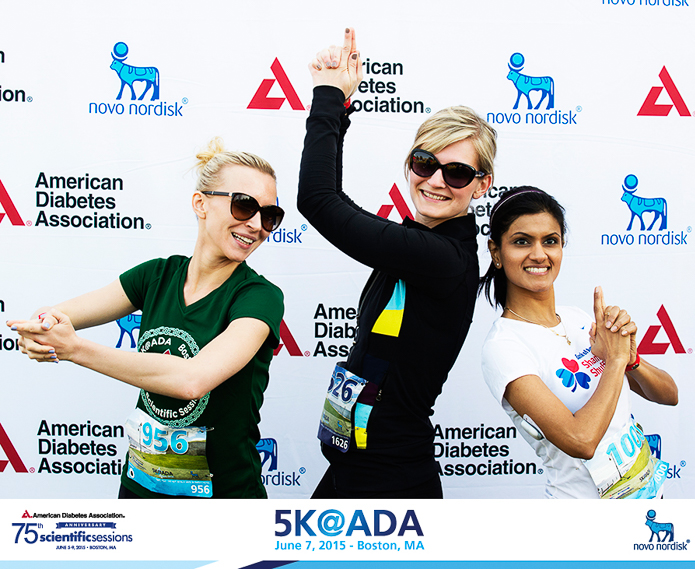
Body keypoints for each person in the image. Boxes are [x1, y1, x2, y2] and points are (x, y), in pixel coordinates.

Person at [7, 138, 285, 499]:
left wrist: (74, 349)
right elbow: (57, 315)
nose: (257, 225)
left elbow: (192, 381)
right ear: (201, 203)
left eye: (270, 215)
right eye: (244, 205)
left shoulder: (259, 297)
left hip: (224, 502)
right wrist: (40, 328)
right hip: (140, 490)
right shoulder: (156, 275)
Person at [298, 28, 497, 498]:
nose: (436, 180)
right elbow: (333, 200)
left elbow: (318, 200)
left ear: (482, 185)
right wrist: (342, 108)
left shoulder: (442, 257)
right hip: (357, 464)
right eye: (425, 162)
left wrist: (327, 97)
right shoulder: (417, 244)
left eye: (457, 172)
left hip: (390, 479)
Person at [480, 187, 678, 499]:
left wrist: (630, 358)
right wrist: (614, 362)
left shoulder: (578, 318)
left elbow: (669, 395)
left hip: (648, 498)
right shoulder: (504, 346)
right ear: (496, 252)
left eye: (550, 241)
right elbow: (582, 441)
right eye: (522, 242)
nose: (539, 254)